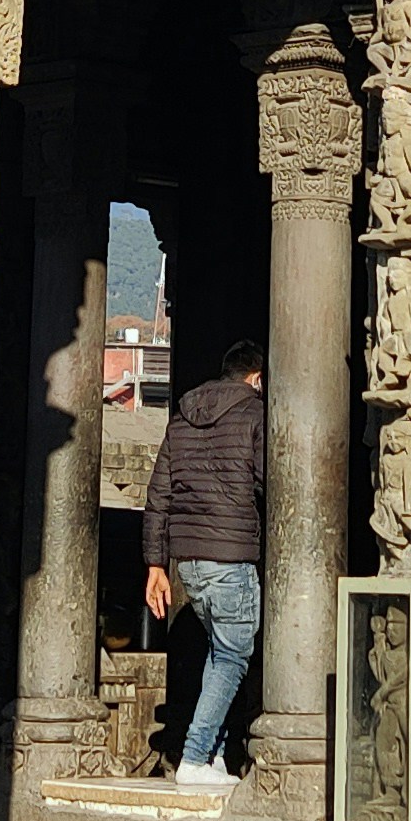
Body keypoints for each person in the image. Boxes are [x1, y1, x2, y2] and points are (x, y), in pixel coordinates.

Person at [143, 338, 267, 790]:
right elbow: (267, 478)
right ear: (256, 378)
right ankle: (194, 757)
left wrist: (156, 564)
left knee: (218, 653)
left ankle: (212, 756)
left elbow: (159, 495)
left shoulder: (181, 418)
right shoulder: (255, 413)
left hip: (188, 561)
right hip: (230, 554)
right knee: (233, 656)